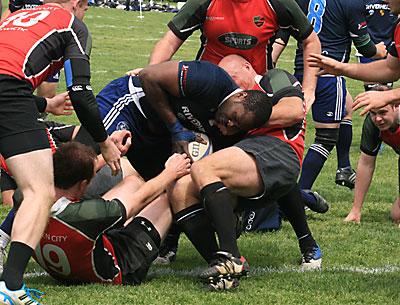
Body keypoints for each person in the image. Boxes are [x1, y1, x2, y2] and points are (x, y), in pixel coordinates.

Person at [167, 54, 323, 291]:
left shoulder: (273, 78)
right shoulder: (225, 104)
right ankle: (222, 268)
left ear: (248, 67)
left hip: (281, 151)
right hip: (246, 160)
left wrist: (241, 120)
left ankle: (232, 255)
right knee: (179, 190)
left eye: (232, 77)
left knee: (205, 168)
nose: (230, 86)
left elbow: (294, 111)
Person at [0, 0, 121, 302]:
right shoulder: (72, 25)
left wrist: (44, 105)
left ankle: (2, 239)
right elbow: (81, 95)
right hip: (9, 92)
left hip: (10, 91)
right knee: (39, 192)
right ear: (78, 4)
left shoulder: (17, 15)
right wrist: (104, 142)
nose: (87, 12)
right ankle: (10, 287)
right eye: (86, 6)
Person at [10, 142, 190, 294]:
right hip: (121, 267)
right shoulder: (86, 214)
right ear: (82, 184)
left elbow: (70, 172)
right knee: (167, 197)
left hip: (75, 258)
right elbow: (139, 199)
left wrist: (110, 153)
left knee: (131, 182)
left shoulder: (23, 197)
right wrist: (171, 172)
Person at [275, 0, 387, 203]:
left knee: (346, 105)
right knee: (326, 137)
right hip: (328, 73)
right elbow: (365, 47)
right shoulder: (349, 2)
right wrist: (381, 51)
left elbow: (284, 31)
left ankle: (343, 167)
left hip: (303, 71)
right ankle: (300, 195)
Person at [130, 0, 321, 109]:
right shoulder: (204, 1)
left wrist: (309, 88)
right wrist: (151, 71)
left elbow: (311, 41)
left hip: (254, 94)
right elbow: (170, 40)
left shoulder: (278, 3)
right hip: (205, 90)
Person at [308, 0, 400, 115]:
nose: (384, 0)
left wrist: (389, 96)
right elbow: (390, 69)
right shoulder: (398, 28)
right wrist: (341, 68)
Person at [344, 86, 400, 224]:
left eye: (383, 112)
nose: (378, 118)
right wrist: (356, 210)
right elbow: (366, 164)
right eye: (373, 113)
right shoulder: (372, 124)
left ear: (396, 106)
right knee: (397, 215)